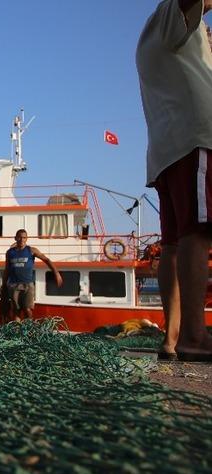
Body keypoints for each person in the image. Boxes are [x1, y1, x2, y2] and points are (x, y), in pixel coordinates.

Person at [137, 0, 212, 361]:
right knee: (197, 232)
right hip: (194, 136)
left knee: (171, 244)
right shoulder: (171, 16)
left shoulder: (150, 37)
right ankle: (196, 336)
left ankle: (172, 337)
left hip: (164, 149)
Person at [1, 229, 62, 321]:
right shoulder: (10, 252)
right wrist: (4, 284)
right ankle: (18, 333)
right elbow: (7, 269)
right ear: (15, 238)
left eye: (24, 237)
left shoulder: (31, 250)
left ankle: (29, 328)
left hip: (28, 285)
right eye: (20, 237)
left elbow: (46, 260)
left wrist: (56, 273)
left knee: (27, 309)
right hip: (13, 284)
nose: (22, 239)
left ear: (27, 239)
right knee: (16, 310)